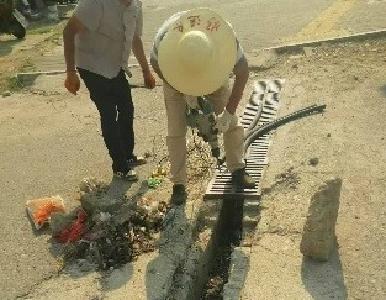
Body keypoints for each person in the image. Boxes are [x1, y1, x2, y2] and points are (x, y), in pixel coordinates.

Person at [150, 8, 254, 204]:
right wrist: (183, 90)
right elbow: (155, 64)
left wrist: (228, 113)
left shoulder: (226, 39)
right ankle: (179, 185)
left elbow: (243, 72)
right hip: (175, 77)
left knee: (232, 124)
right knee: (175, 130)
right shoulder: (163, 44)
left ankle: (238, 168)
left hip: (212, 75)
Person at [63, 0, 155, 180]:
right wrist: (70, 72)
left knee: (127, 109)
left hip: (115, 65)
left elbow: (135, 39)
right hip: (91, 65)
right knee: (108, 113)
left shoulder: (136, 5)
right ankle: (120, 166)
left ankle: (128, 156)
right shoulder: (95, 3)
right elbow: (69, 31)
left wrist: (146, 71)